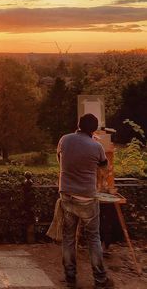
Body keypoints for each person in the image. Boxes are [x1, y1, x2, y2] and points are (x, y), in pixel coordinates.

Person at [57, 113, 113, 289]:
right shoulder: (96, 147)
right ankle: (100, 279)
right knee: (93, 238)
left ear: (78, 125)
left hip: (66, 195)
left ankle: (70, 279)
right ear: (94, 129)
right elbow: (105, 170)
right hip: (87, 198)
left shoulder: (64, 140)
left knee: (68, 238)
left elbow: (61, 160)